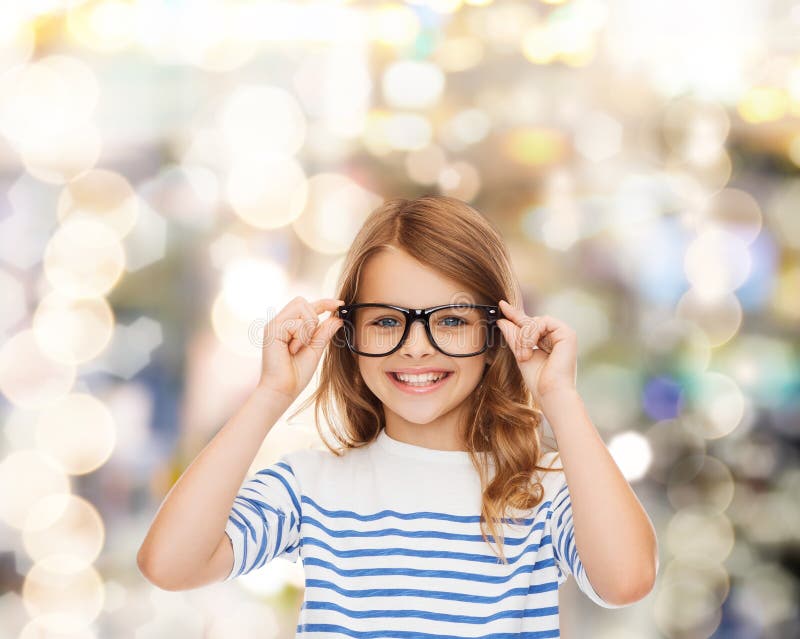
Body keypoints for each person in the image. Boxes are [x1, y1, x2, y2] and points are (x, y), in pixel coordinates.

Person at [137, 195, 658, 636]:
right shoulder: (310, 486)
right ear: (349, 333)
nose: (415, 348)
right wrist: (271, 393)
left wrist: (559, 397)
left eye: (450, 320)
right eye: (387, 320)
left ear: (494, 332)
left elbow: (626, 580)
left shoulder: (541, 493)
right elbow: (170, 564)